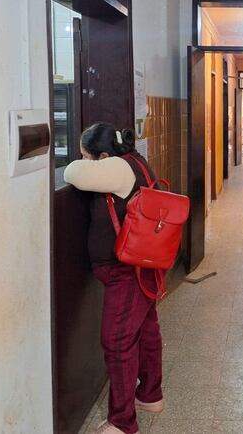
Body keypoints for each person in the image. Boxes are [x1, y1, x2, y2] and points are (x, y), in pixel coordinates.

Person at [64, 124, 164, 434]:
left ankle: (123, 422)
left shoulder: (118, 169)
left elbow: (71, 173)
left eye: (88, 156)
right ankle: (150, 395)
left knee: (118, 342)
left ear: (104, 155)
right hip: (142, 264)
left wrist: (82, 162)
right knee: (147, 332)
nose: (85, 161)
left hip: (126, 271)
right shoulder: (135, 160)